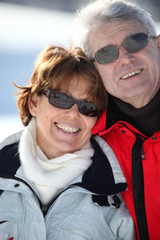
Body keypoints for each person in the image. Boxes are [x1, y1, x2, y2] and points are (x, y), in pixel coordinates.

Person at [0, 45, 136, 240]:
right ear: (33, 103)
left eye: (88, 107)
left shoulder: (119, 193)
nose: (73, 114)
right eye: (60, 98)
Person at [74, 0, 160, 239]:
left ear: (159, 45)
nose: (124, 58)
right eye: (106, 53)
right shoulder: (82, 139)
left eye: (136, 41)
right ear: (94, 69)